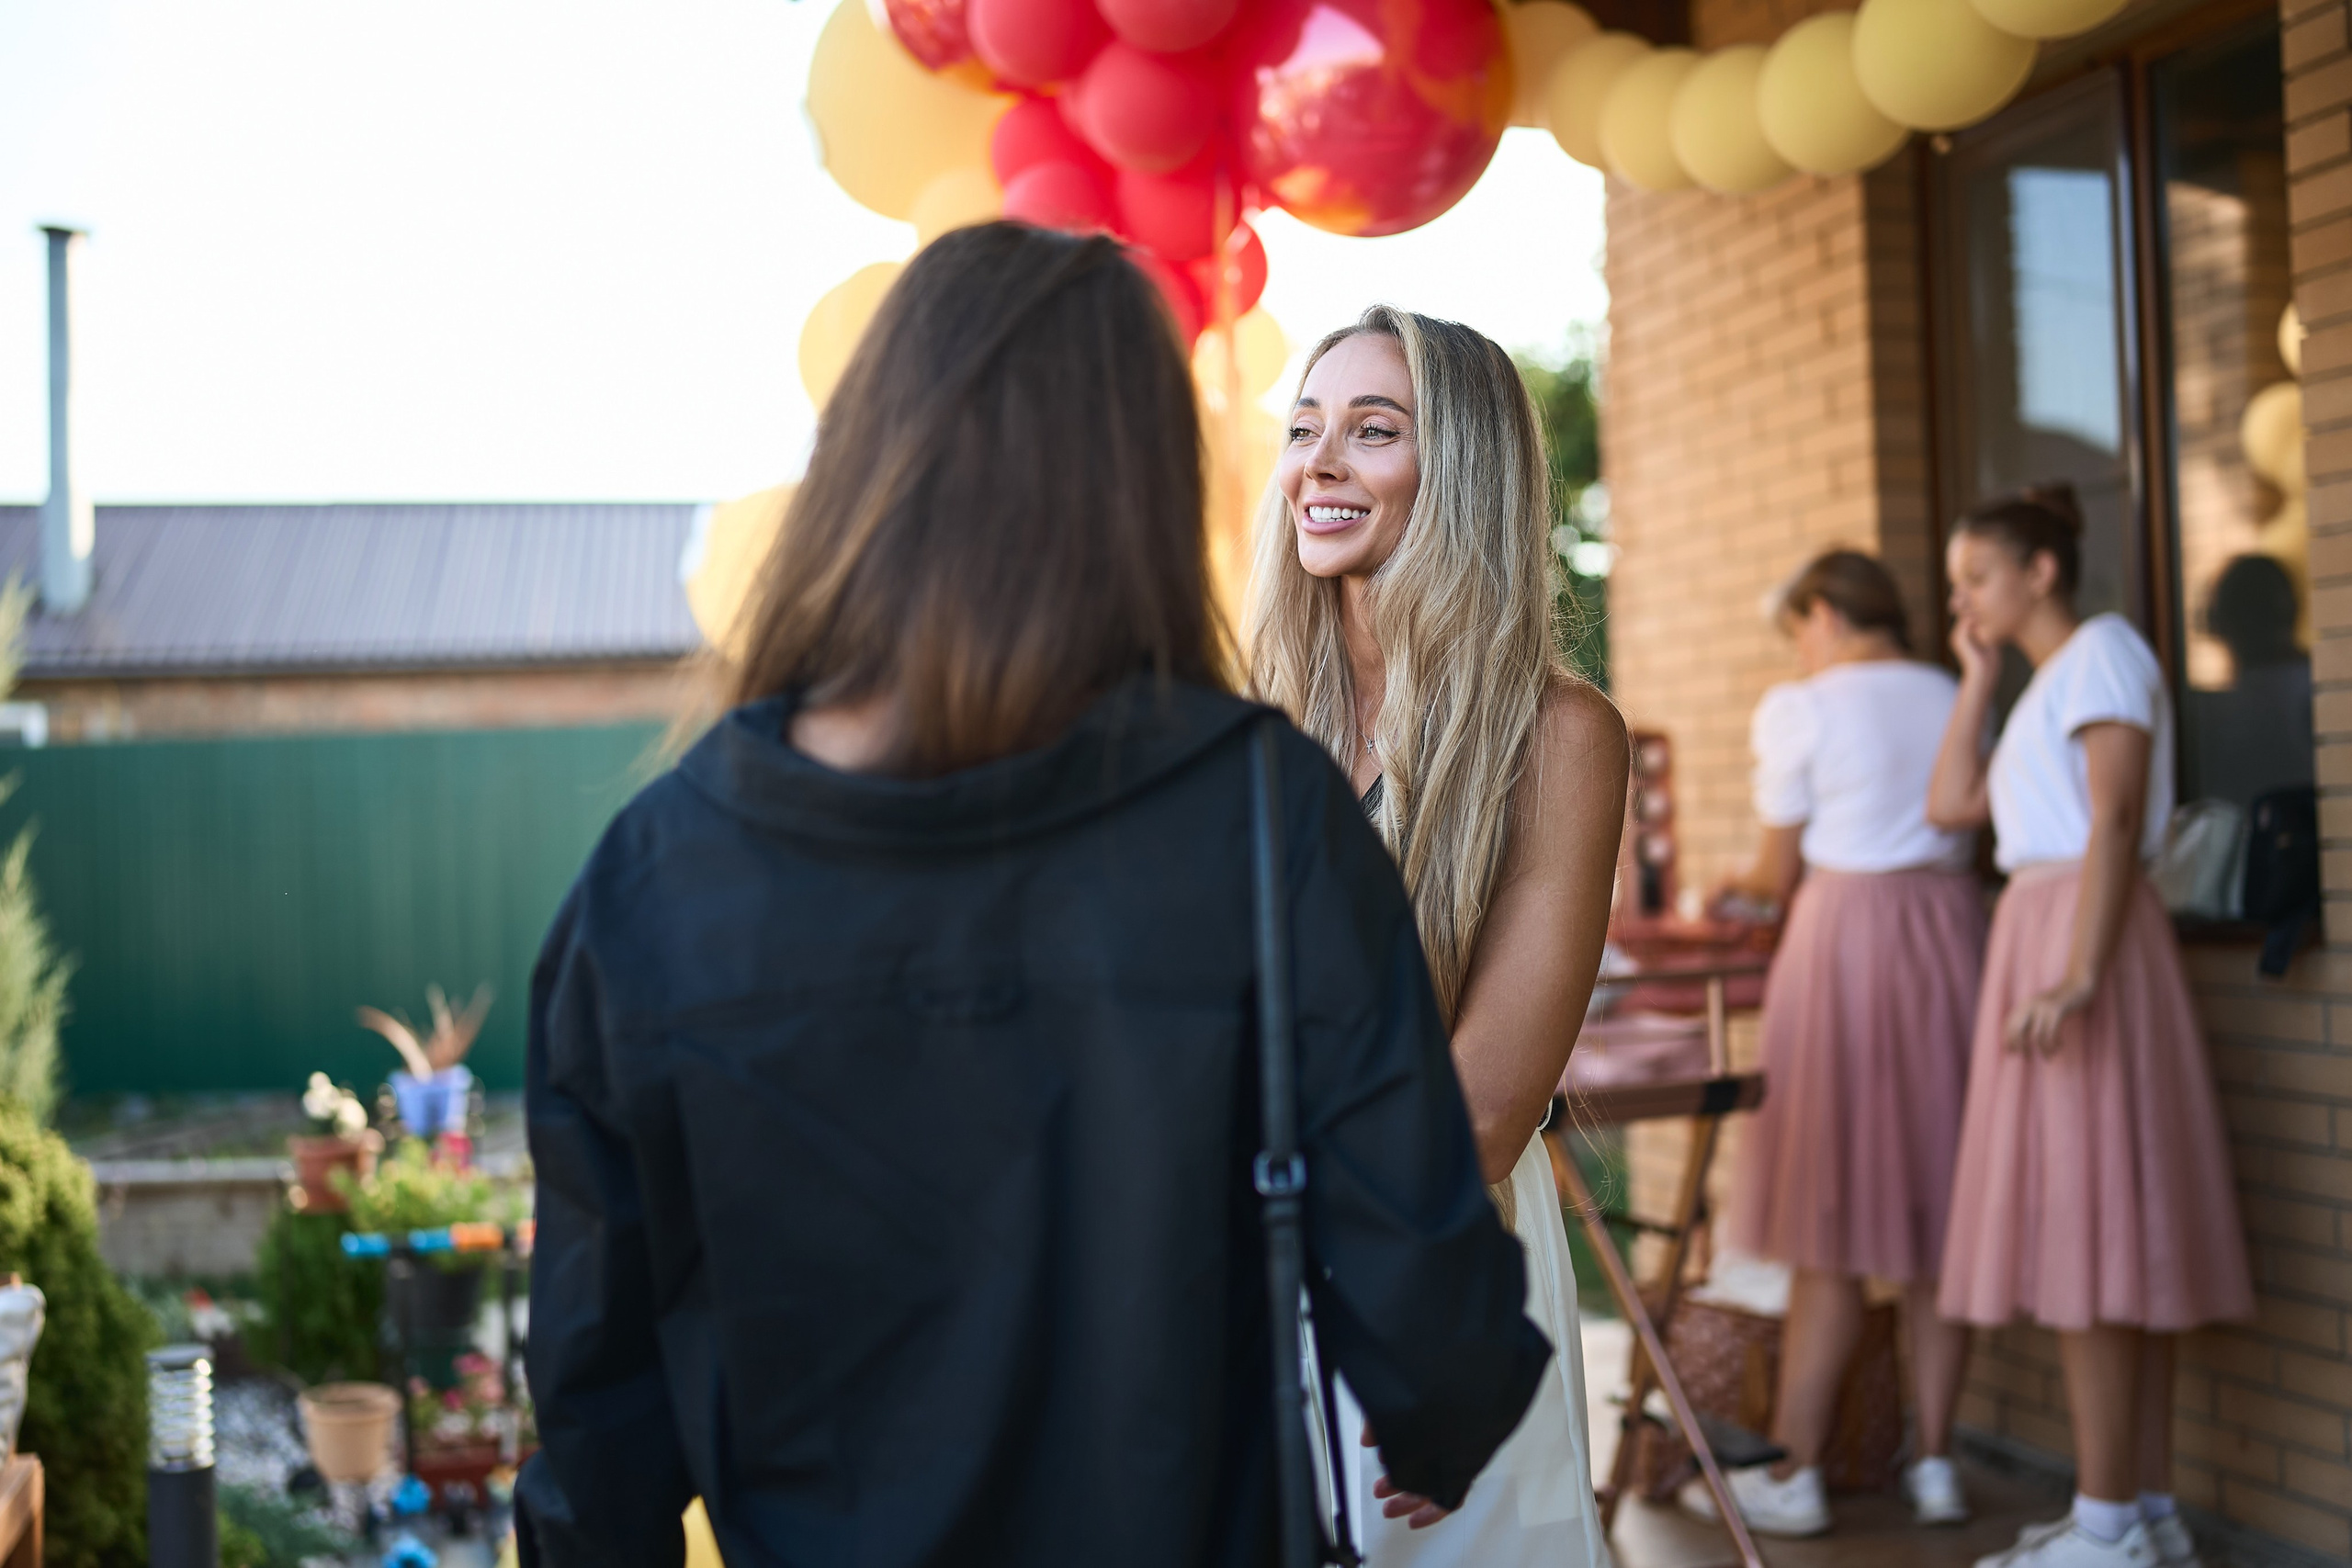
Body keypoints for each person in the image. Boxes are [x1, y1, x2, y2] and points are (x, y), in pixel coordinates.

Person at [514, 225, 1549, 1568]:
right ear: (1142, 481)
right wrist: (1432, 1412)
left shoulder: (654, 872)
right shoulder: (1262, 814)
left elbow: (595, 1420)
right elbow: (1437, 1341)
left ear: (869, 469)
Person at [1249, 304, 1628, 1567]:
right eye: (1305, 428)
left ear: (1461, 467)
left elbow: (1486, 1107)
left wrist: (1406, 1333)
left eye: (1374, 430)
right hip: (1235, 1262)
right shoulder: (1250, 727)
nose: (1319, 461)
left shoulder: (1555, 735)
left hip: (1430, 1265)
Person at [1928, 485, 2254, 1568]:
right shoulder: (2042, 683)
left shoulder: (2103, 652)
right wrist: (1977, 677)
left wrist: (2076, 977)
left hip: (2082, 939)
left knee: (2096, 1228)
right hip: (2050, 929)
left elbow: (2112, 819)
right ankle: (2137, 1514)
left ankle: (2110, 1523)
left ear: (2040, 572)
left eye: (1977, 578)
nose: (1962, 600)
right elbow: (1948, 806)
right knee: (2103, 1231)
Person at [1680, 549, 1984, 1539]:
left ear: (1824, 614)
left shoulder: (1804, 707)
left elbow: (1775, 872)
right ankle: (1935, 1467)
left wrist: (1724, 887)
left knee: (1829, 1220)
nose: (1800, 653)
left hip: (1846, 942)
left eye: (1798, 632)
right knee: (1940, 1222)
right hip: (1950, 937)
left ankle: (1799, 1469)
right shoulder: (1954, 690)